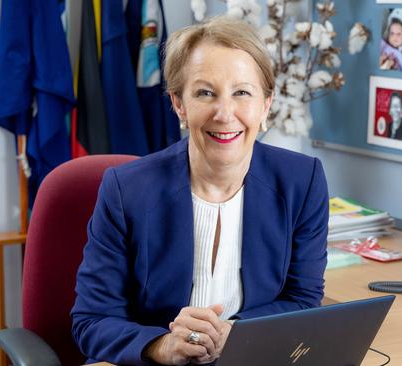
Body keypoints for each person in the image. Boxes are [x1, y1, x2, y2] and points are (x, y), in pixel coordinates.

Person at [71, 16, 329, 365]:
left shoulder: (302, 180)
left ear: (265, 104)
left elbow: (303, 298)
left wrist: (237, 334)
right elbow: (92, 321)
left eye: (242, 93)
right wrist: (162, 345)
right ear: (179, 104)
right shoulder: (126, 190)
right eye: (205, 93)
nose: (225, 114)